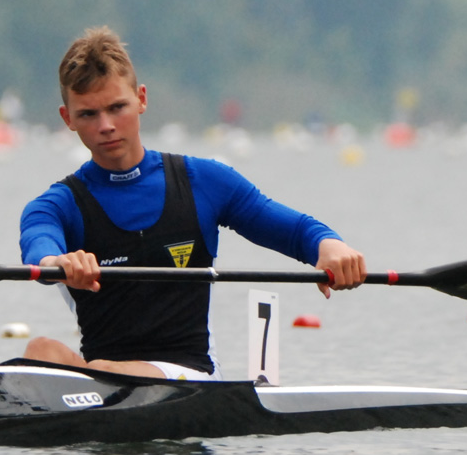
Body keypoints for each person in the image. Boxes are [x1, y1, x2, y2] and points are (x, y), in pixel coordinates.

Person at [19, 27, 366, 380]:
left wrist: (329, 245)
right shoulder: (56, 205)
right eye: (88, 114)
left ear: (141, 99)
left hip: (190, 377)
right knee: (41, 350)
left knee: (98, 368)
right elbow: (38, 243)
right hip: (101, 378)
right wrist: (57, 262)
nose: (106, 126)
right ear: (67, 119)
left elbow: (293, 229)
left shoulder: (204, 181)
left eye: (117, 107)